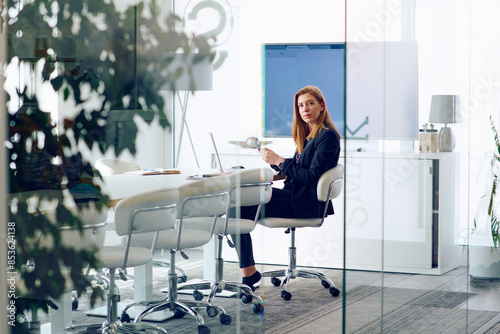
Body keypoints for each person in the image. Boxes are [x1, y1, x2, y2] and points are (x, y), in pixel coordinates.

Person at [230, 85, 341, 288]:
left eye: (310, 103)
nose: (305, 109)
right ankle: (247, 267)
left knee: (236, 207)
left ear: (321, 105)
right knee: (239, 203)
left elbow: (312, 176)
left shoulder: (328, 136)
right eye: (300, 106)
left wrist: (281, 161)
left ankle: (249, 273)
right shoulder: (310, 135)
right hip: (294, 195)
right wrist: (274, 164)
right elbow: (300, 166)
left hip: (303, 202)